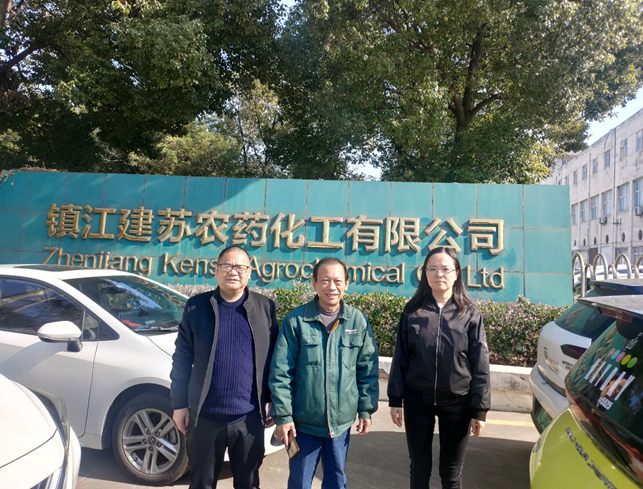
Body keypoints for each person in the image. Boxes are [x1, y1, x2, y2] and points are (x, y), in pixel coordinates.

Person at [170, 245, 279, 489]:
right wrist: (179, 404)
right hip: (205, 418)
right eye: (227, 265)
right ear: (216, 270)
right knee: (201, 484)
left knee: (248, 484)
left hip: (249, 418)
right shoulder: (197, 307)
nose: (233, 271)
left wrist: (273, 399)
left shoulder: (265, 307)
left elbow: (274, 359)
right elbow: (182, 357)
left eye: (240, 266)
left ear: (249, 272)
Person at [269, 257, 379, 489]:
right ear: (314, 283)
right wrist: (284, 416)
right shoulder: (296, 320)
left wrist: (366, 409)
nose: (332, 287)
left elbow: (366, 369)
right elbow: (281, 371)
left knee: (336, 481)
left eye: (338, 281)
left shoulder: (357, 320)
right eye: (325, 280)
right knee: (299, 483)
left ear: (346, 283)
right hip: (303, 425)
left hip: (340, 425)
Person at [387, 247, 490, 489]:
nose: (439, 274)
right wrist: (395, 399)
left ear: (457, 274)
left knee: (451, 475)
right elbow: (400, 358)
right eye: (432, 268)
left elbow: (480, 364)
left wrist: (480, 410)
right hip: (417, 400)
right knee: (419, 469)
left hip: (458, 402)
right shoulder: (413, 311)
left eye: (445, 269)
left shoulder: (469, 313)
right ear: (425, 273)